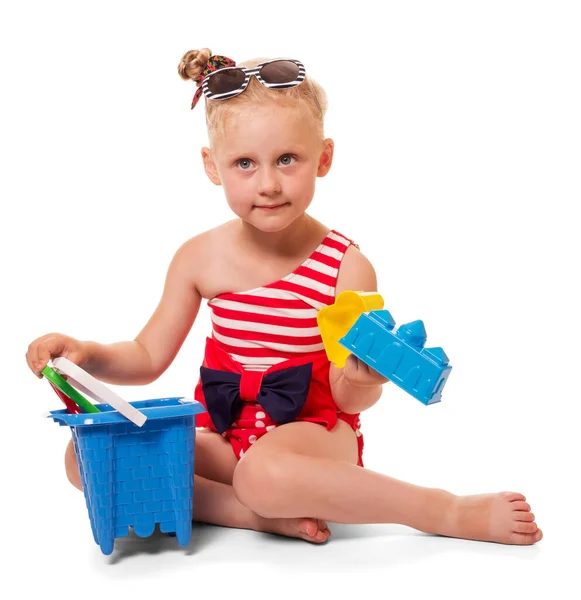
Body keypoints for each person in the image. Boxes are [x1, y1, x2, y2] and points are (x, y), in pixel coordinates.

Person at [26, 48, 542, 546]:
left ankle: (442, 509)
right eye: (245, 163)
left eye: (288, 159)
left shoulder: (346, 266)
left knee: (265, 473)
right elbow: (146, 357)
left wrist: (362, 380)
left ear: (324, 158)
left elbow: (347, 399)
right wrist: (85, 353)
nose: (268, 183)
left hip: (312, 438)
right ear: (212, 166)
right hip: (226, 435)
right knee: (88, 458)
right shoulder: (198, 258)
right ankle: (251, 516)